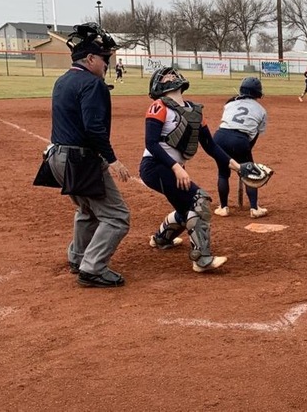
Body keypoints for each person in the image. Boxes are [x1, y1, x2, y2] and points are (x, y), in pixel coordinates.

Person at [39, 23, 131, 288]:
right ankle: (92, 268)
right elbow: (94, 128)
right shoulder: (93, 84)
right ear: (90, 58)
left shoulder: (63, 80)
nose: (106, 65)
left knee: (87, 210)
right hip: (80, 159)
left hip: (57, 156)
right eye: (104, 59)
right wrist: (112, 160)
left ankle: (78, 257)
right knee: (116, 216)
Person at [139, 66, 244, 273]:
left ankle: (161, 239)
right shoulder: (158, 107)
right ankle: (202, 259)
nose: (170, 75)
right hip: (155, 166)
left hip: (173, 168)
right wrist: (176, 167)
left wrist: (237, 167)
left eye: (173, 74)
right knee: (199, 201)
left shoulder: (194, 111)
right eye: (165, 76)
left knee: (186, 208)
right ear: (158, 85)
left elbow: (211, 146)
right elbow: (151, 144)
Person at [213, 77, 269, 219]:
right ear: (258, 93)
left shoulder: (230, 104)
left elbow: (227, 122)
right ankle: (254, 208)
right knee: (250, 173)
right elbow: (255, 135)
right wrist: (246, 149)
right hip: (240, 140)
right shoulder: (261, 110)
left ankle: (223, 207)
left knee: (223, 173)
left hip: (219, 137)